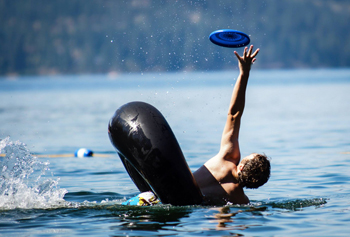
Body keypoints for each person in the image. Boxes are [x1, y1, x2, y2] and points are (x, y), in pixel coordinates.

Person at [193, 45, 270, 205]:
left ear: (241, 167)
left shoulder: (229, 156)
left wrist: (244, 73)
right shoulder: (240, 200)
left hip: (164, 194)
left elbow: (234, 114)